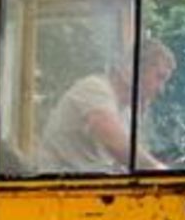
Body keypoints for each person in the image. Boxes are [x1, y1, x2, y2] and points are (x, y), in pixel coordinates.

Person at [36, 39, 176, 175]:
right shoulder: (94, 89)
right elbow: (115, 143)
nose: (161, 90)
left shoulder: (126, 113)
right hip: (57, 188)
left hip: (90, 186)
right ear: (135, 69)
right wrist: (159, 169)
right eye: (159, 77)